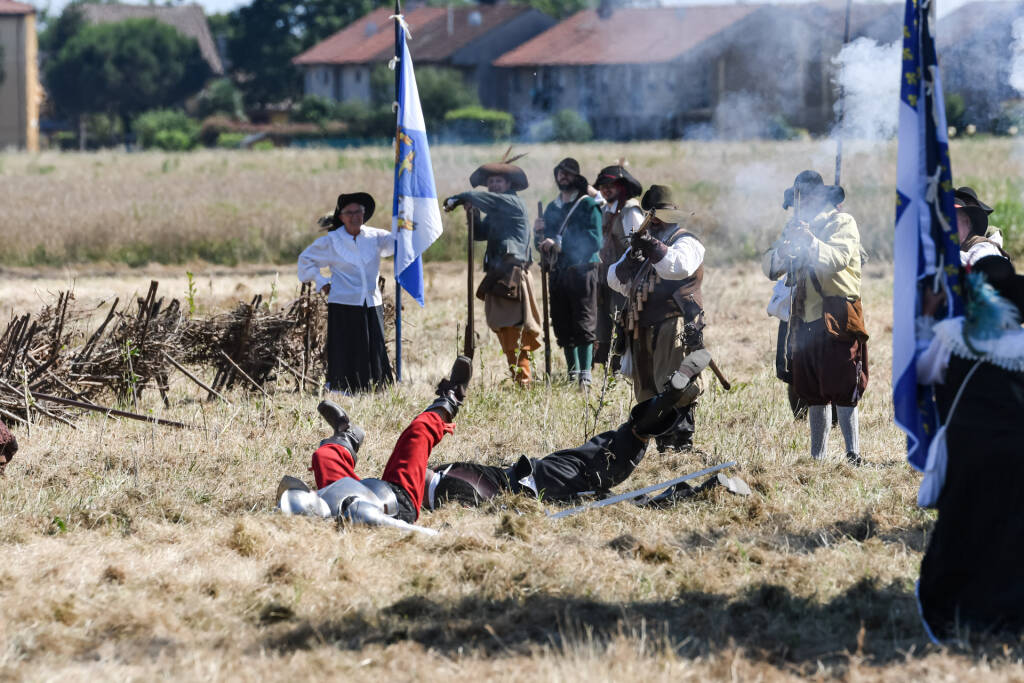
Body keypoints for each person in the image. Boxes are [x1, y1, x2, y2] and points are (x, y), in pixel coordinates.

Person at [277, 349, 713, 528]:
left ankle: (347, 436)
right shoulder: (351, 517)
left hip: (442, 479)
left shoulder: (329, 496)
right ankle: (659, 417)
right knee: (593, 471)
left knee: (326, 461)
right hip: (429, 495)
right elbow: (395, 529)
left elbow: (331, 491)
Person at [915, 253, 1024, 641]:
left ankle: (955, 613)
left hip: (968, 451)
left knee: (962, 528)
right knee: (1010, 533)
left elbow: (924, 373)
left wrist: (928, 317)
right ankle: (1007, 616)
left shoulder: (954, 335)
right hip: (1016, 453)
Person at [761, 170, 867, 466]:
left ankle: (852, 454)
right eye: (799, 198)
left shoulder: (842, 222)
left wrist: (809, 240)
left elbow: (837, 261)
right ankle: (817, 457)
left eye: (807, 197)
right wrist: (786, 247)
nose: (802, 203)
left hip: (836, 312)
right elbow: (770, 266)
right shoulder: (794, 227)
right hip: (804, 317)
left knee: (844, 385)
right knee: (813, 388)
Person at [607, 185, 707, 453]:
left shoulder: (686, 241)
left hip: (673, 323)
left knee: (676, 385)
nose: (658, 222)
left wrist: (652, 246)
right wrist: (633, 257)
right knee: (648, 390)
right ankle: (665, 444)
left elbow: (677, 267)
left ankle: (682, 444)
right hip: (641, 327)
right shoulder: (643, 243)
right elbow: (614, 279)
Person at [444, 156, 542, 386]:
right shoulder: (497, 210)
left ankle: (523, 382)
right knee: (507, 332)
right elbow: (479, 233)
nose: (494, 185)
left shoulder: (511, 203)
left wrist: (460, 198)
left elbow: (475, 196)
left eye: (498, 181)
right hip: (500, 275)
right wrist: (473, 213)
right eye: (491, 182)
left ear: (508, 185)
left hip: (512, 275)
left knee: (514, 332)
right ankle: (520, 378)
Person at [297, 192, 393, 393]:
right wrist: (322, 281)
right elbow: (305, 260)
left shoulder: (376, 236)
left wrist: (407, 222)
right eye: (349, 213)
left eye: (358, 212)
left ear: (364, 214)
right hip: (343, 302)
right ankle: (344, 388)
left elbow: (399, 245)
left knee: (373, 344)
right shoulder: (332, 241)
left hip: (371, 301)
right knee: (346, 347)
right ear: (341, 217)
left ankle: (375, 386)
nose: (354, 216)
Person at [534, 158, 604, 387]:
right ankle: (572, 374)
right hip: (558, 271)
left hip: (583, 269)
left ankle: (585, 374)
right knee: (562, 323)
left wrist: (561, 244)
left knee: (583, 322)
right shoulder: (553, 207)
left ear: (576, 177)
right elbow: (545, 244)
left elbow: (595, 240)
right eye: (560, 173)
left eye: (567, 173)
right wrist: (539, 236)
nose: (562, 177)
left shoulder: (587, 205)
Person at [593, 165, 643, 369]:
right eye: (603, 186)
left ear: (621, 187)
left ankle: (622, 366)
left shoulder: (630, 211)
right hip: (604, 275)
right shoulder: (606, 209)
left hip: (624, 277)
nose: (605, 190)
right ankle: (608, 366)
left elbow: (640, 245)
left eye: (610, 185)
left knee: (621, 322)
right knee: (603, 322)